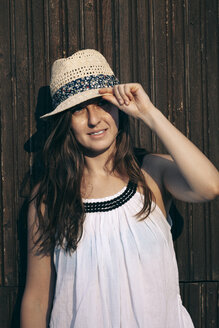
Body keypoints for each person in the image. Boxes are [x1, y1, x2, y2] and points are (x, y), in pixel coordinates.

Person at [20, 49, 219, 328]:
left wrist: (149, 113)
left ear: (119, 107)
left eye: (103, 103)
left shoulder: (150, 172)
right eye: (78, 109)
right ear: (65, 122)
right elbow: (37, 298)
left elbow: (210, 187)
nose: (94, 119)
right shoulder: (48, 197)